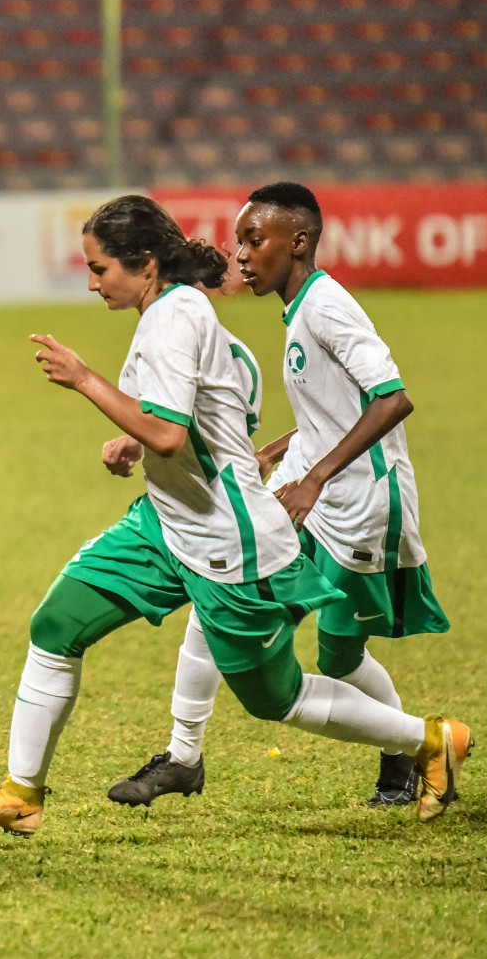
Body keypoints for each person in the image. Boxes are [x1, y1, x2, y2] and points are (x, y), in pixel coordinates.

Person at [0, 195, 471, 837]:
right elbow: (219, 400)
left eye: (100, 268)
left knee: (278, 699)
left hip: (227, 541)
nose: (90, 281)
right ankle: (21, 793)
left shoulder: (175, 317)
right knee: (57, 624)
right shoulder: (173, 313)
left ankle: (430, 740)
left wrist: (87, 381)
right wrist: (133, 437)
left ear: (146, 263)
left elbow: (169, 434)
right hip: (165, 524)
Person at [107, 182, 451, 809]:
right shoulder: (299, 311)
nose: (241, 255)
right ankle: (184, 754)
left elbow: (391, 398)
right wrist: (271, 456)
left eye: (254, 240)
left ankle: (413, 756)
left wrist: (315, 476)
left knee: (341, 657)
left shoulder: (327, 307)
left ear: (298, 242)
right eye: (239, 241)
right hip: (310, 496)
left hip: (362, 504)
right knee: (221, 593)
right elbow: (331, 413)